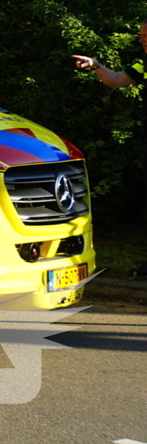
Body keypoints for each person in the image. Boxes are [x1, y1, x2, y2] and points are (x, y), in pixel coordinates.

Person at [73, 20, 147, 278]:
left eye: (145, 36)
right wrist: (96, 65)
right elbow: (116, 80)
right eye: (141, 36)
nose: (141, 41)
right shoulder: (143, 63)